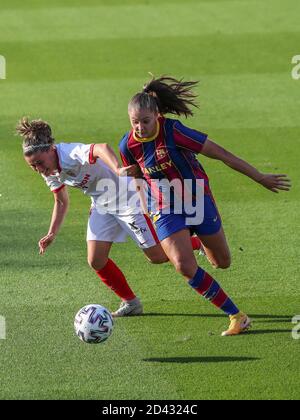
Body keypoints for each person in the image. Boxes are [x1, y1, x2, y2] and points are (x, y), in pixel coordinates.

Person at [119, 76, 291, 336]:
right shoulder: (128, 145)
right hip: (165, 208)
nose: (140, 127)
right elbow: (139, 180)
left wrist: (260, 177)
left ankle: (198, 243)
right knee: (183, 266)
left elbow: (222, 154)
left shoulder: (174, 132)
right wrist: (146, 209)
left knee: (222, 263)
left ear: (157, 115)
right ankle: (236, 316)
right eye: (135, 122)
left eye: (146, 121)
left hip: (197, 200)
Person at [16, 117, 175, 318]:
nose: (38, 169)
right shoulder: (48, 170)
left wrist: (117, 168)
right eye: (33, 166)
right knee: (96, 260)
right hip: (101, 204)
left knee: (158, 256)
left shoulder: (70, 154)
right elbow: (61, 201)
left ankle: (197, 244)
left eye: (39, 163)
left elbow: (101, 148)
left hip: (126, 199)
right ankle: (131, 303)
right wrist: (51, 234)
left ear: (50, 149)